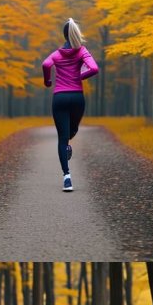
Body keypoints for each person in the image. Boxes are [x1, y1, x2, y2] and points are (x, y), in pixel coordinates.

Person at [42, 18, 99, 192]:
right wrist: (80, 77)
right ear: (76, 34)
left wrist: (48, 80)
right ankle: (67, 145)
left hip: (59, 97)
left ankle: (67, 177)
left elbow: (46, 64)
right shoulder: (81, 51)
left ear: (64, 35)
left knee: (62, 137)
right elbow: (94, 68)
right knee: (72, 131)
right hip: (76, 97)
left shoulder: (57, 54)